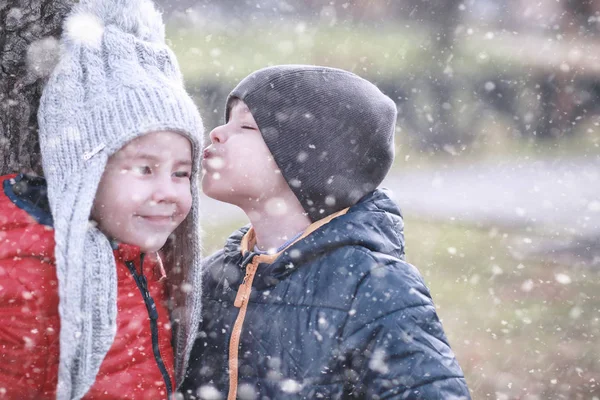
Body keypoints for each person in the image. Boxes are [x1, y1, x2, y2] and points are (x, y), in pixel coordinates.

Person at [181, 65, 471, 399]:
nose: (216, 132)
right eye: (227, 120)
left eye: (246, 125)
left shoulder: (374, 286)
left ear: (310, 162)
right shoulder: (211, 278)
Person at [0, 0, 204, 398]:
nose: (168, 192)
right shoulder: (20, 264)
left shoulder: (143, 260)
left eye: (182, 173)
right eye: (145, 168)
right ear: (86, 167)